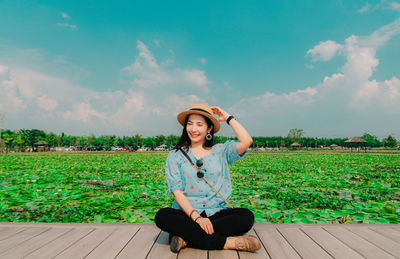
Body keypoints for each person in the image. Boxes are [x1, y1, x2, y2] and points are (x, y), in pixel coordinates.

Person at [155, 103, 261, 253]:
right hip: (187, 214)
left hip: (216, 214)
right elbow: (177, 192)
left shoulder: (221, 151)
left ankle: (185, 238)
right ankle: (227, 243)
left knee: (246, 216)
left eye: (199, 124)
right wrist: (197, 218)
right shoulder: (175, 155)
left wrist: (228, 118)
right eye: (190, 124)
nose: (193, 129)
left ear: (209, 128)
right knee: (162, 216)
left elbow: (246, 141)